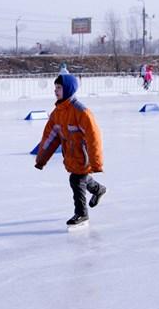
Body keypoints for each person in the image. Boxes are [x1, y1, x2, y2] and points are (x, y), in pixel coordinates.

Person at [35, 74, 106, 227]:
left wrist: (96, 162)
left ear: (68, 89)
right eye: (55, 88)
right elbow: (50, 138)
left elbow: (94, 138)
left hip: (84, 156)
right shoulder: (57, 114)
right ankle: (99, 189)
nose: (55, 91)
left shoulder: (81, 112)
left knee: (76, 180)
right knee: (80, 179)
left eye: (59, 88)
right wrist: (41, 159)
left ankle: (82, 214)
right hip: (71, 155)